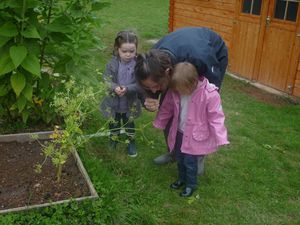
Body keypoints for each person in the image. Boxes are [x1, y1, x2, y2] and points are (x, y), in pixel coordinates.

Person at [135, 27, 228, 173]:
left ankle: (197, 156)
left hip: (213, 53)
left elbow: (212, 92)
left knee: (197, 114)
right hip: (181, 53)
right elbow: (147, 83)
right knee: (169, 109)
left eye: (156, 87)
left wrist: (207, 102)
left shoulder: (200, 58)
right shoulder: (150, 62)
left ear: (168, 73)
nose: (154, 90)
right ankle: (174, 152)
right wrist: (149, 98)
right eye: (150, 87)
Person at [153, 62, 229, 197]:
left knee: (190, 161)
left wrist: (221, 137)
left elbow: (216, 117)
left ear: (193, 82)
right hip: (179, 132)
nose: (180, 92)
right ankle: (181, 179)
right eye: (178, 89)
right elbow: (167, 108)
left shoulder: (210, 94)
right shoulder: (176, 91)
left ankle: (191, 184)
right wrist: (160, 122)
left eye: (183, 89)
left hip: (195, 135)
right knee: (180, 158)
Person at [100, 30, 141, 157]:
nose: (128, 54)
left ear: (136, 50)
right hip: (114, 103)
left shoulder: (138, 65)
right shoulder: (111, 64)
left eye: (132, 51)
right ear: (117, 49)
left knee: (129, 124)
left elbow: (141, 84)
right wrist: (114, 87)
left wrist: (128, 88)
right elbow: (106, 80)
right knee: (114, 122)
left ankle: (131, 142)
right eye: (124, 51)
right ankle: (114, 139)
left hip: (130, 102)